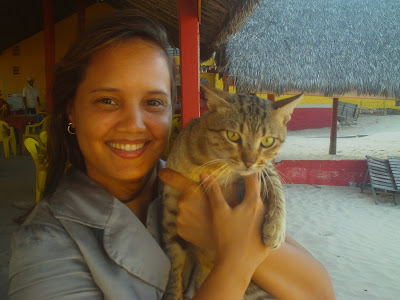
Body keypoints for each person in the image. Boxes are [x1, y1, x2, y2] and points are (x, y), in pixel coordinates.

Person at [8, 9, 335, 300]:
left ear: (172, 112)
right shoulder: (43, 243)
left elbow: (320, 292)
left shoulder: (201, 178)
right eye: (107, 100)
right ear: (72, 113)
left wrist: (225, 234)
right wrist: (233, 255)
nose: (134, 125)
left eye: (153, 102)